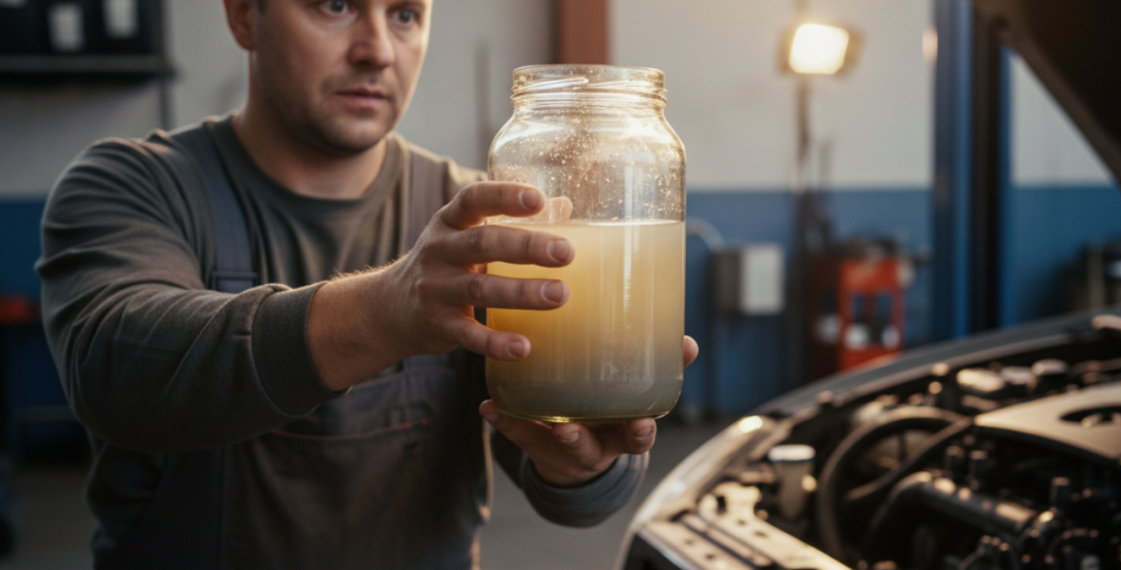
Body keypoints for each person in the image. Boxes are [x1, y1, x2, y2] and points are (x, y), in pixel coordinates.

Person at [36, 0, 699, 568]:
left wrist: (584, 465)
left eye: (405, 13)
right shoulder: (129, 186)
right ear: (244, 14)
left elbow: (572, 488)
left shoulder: (473, 216)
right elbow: (115, 369)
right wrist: (385, 310)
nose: (378, 50)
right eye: (334, 5)